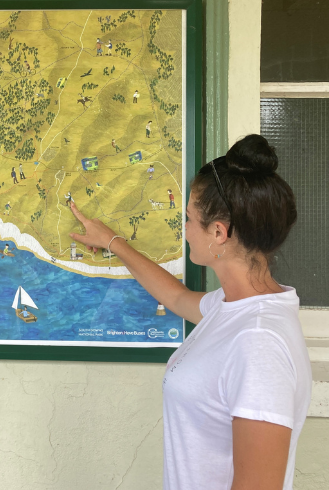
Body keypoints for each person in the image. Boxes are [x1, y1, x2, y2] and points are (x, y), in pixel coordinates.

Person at [69, 134, 310, 490]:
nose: (183, 230)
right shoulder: (235, 308)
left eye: (187, 219)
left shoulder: (259, 342)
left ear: (217, 232)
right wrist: (112, 242)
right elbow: (178, 297)